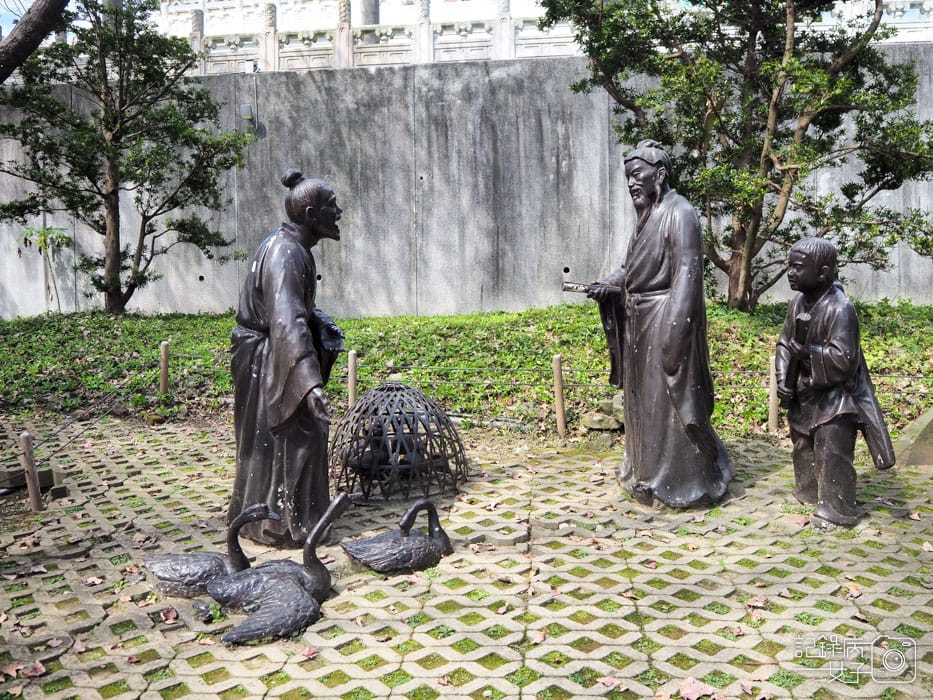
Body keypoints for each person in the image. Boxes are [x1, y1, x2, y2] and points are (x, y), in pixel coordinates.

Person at [588, 140, 733, 508]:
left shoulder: (680, 213)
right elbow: (631, 268)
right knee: (642, 404)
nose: (632, 184)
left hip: (666, 321)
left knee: (668, 404)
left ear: (660, 174)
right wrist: (610, 284)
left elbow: (686, 276)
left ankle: (679, 480)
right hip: (639, 324)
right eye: (627, 179)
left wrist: (675, 333)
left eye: (637, 176)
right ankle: (643, 470)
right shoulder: (646, 218)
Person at [227, 169, 345, 547]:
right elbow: (286, 320)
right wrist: (308, 383)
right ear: (311, 214)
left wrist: (321, 320)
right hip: (270, 359)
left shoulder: (290, 247)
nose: (338, 211)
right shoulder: (286, 252)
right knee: (297, 433)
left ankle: (269, 516)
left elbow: (294, 309)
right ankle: (284, 523)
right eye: (331, 206)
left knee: (269, 439)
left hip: (271, 351)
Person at [775, 237, 894, 529]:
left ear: (824, 272)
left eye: (798, 268)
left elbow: (844, 361)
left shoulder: (841, 309)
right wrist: (783, 376)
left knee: (832, 453)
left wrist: (809, 353)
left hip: (835, 400)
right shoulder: (797, 303)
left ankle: (836, 508)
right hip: (805, 396)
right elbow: (783, 344)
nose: (790, 273)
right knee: (802, 446)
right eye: (789, 266)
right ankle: (808, 492)